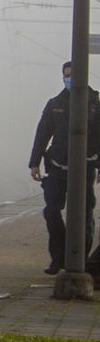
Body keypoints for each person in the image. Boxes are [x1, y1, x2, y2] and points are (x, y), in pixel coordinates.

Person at [29, 61, 100, 274]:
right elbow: (42, 133)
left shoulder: (95, 104)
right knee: (51, 210)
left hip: (85, 168)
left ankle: (80, 259)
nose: (68, 79)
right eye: (65, 75)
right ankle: (58, 256)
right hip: (57, 167)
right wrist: (34, 162)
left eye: (72, 75)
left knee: (84, 214)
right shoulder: (55, 104)